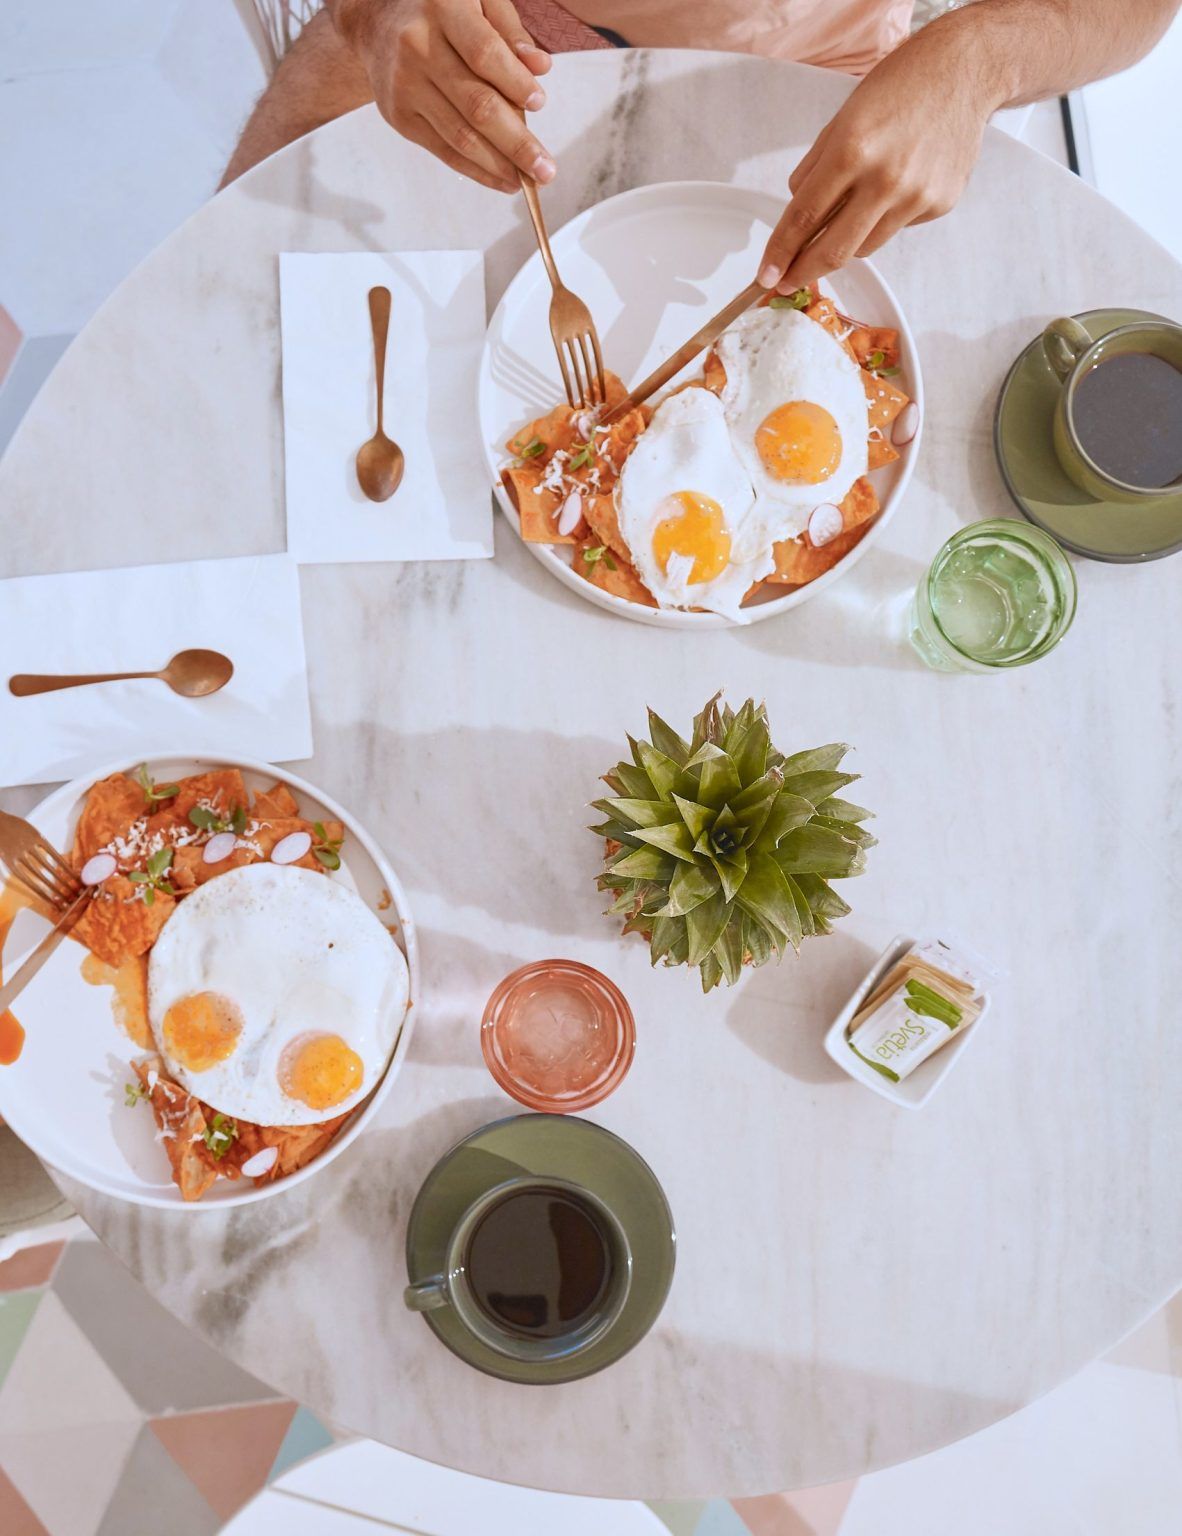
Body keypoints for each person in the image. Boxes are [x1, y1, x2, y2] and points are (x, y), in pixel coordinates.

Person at [225, 0, 1179, 291]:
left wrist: (978, 57)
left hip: (822, 64)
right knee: (248, 294)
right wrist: (370, 11)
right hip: (488, 18)